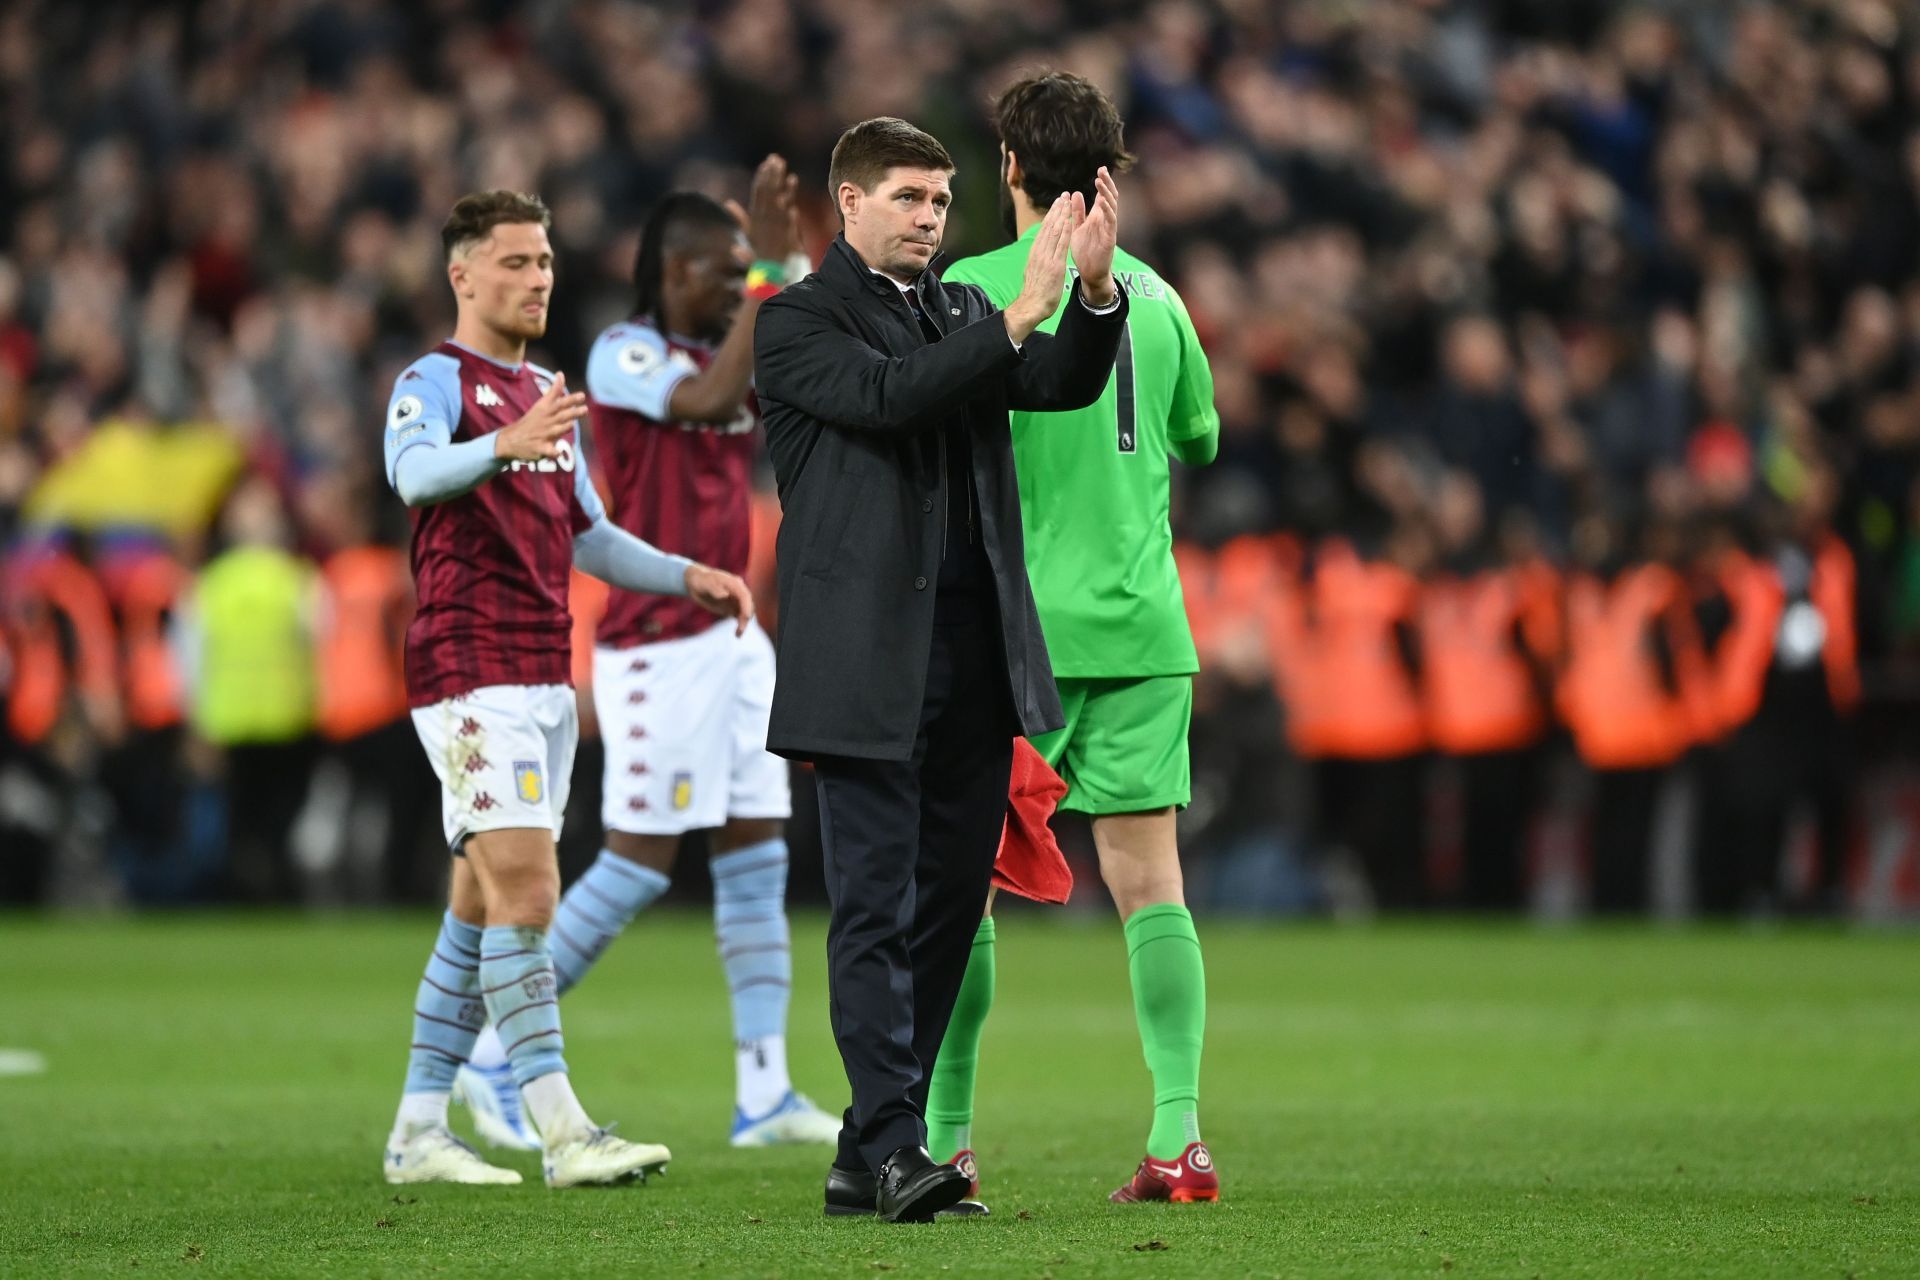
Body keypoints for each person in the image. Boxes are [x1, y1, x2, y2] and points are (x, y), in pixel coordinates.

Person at [752, 117, 1128, 1221]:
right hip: (864, 658)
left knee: (951, 908)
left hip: (972, 654)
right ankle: (897, 1142)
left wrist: (1095, 300)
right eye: (908, 197)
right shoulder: (797, 323)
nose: (929, 216)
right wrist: (1017, 316)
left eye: (940, 198)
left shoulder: (961, 310)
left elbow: (1055, 382)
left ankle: (868, 1146)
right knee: (873, 904)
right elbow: (888, 397)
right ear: (851, 205)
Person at [453, 158, 840, 1152]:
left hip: (735, 635)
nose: (737, 284)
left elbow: (773, 371)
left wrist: (789, 271)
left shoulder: (744, 340)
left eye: (745, 270)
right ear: (676, 271)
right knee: (637, 862)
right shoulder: (626, 352)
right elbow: (709, 402)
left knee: (756, 850)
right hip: (655, 644)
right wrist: (772, 284)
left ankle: (764, 1089)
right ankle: (496, 1054)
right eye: (725, 269)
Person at [378, 190, 755, 1189]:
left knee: (476, 903)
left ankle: (418, 1127)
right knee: (532, 887)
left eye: (543, 262)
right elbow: (412, 475)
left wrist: (687, 573)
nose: (536, 278)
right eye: (513, 262)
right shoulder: (436, 379)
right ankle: (562, 1129)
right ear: (463, 274)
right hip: (467, 668)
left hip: (544, 672)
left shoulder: (548, 391)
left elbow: (588, 533)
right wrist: (500, 443)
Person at [932, 72, 1222, 1210]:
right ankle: (1178, 1135)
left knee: (965, 889)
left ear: (1007, 165)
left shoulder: (968, 289)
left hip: (1018, 639)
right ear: (1110, 176)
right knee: (1153, 884)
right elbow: (1198, 436)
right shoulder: (1156, 296)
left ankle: (948, 1137)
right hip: (1147, 627)